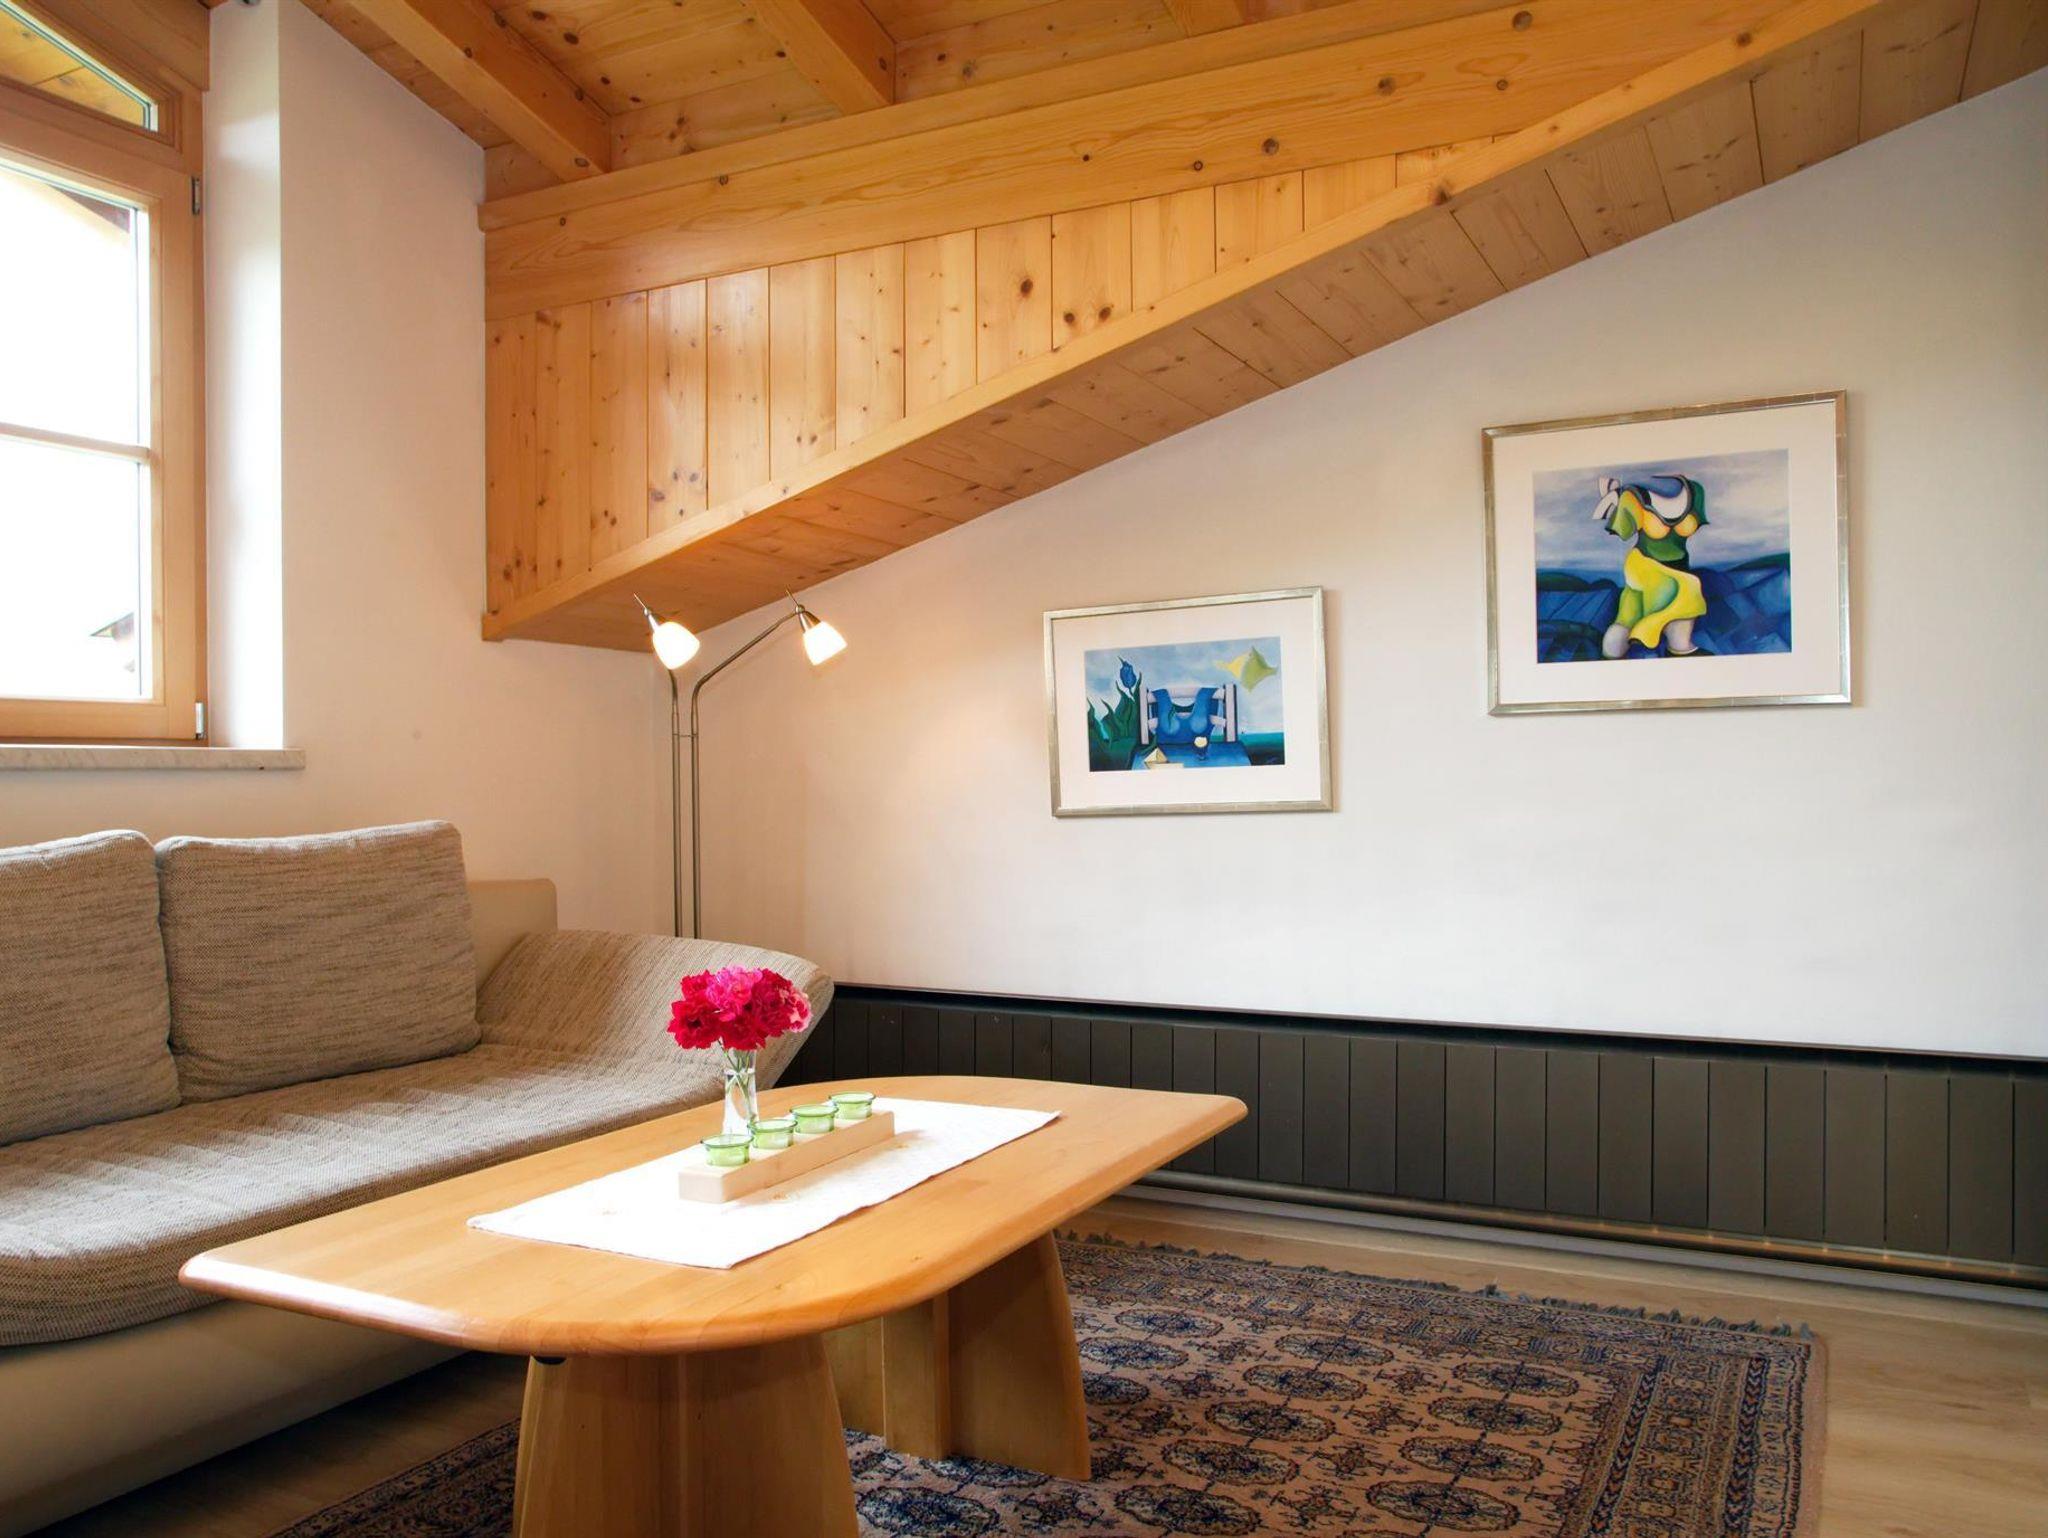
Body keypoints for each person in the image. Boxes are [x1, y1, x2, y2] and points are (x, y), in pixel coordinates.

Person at [1593, 473, 1709, 658]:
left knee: (1625, 625)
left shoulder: (1695, 491)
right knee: (1689, 587)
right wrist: (1615, 498)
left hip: (1679, 567)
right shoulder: (1632, 496)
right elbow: (1617, 527)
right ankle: (1648, 634)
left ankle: (1677, 648)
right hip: (1644, 565)